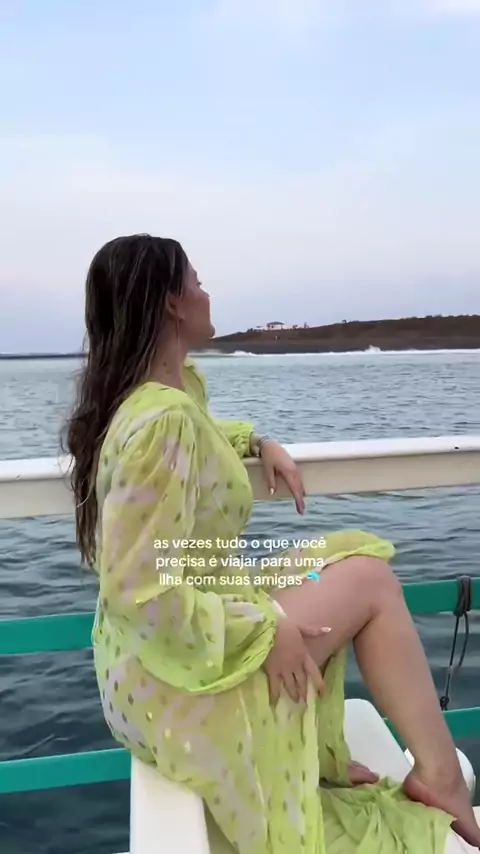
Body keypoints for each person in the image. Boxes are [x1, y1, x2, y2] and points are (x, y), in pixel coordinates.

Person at [65, 233, 479, 853]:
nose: (207, 294)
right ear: (172, 303)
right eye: (196, 282)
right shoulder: (162, 421)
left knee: (347, 560)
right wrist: (264, 627)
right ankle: (441, 778)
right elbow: (138, 590)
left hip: (172, 633)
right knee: (369, 581)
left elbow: (201, 438)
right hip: (172, 665)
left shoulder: (170, 395)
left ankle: (399, 765)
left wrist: (256, 442)